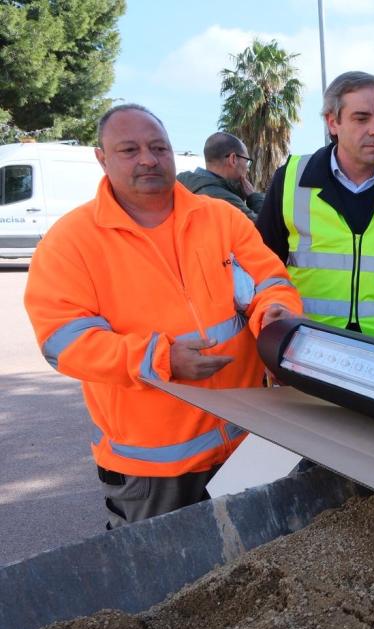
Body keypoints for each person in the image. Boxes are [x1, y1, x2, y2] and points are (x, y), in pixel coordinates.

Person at [24, 104, 302, 528]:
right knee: (170, 580)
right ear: (102, 158)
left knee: (252, 560)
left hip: (247, 437)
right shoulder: (71, 242)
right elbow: (63, 342)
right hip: (153, 469)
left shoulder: (222, 219)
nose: (148, 159)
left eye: (159, 147)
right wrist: (162, 359)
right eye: (129, 149)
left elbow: (271, 283)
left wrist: (276, 316)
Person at [256, 71, 374, 346]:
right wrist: (279, 326)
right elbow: (261, 264)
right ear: (332, 122)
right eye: (362, 118)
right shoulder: (291, 179)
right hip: (305, 347)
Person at [178, 131, 265, 222]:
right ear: (233, 159)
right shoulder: (224, 199)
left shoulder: (182, 184)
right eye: (246, 161)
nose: (247, 168)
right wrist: (253, 196)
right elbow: (264, 229)